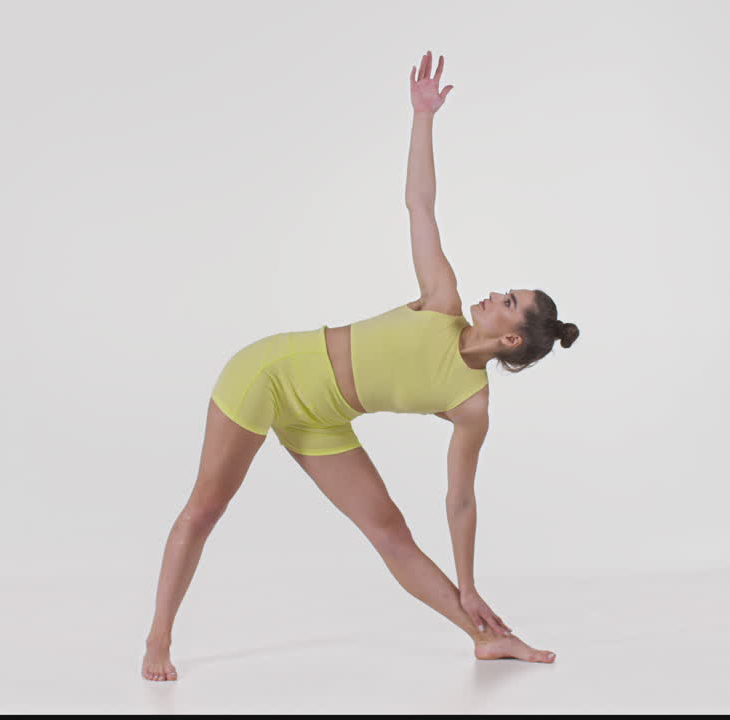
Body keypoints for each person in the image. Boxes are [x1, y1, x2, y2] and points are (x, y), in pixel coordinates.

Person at [142, 50, 579, 682]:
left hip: (323, 418)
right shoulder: (441, 301)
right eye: (503, 291)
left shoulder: (471, 405)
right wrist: (422, 117)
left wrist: (469, 583)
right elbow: (419, 204)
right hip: (269, 373)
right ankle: (158, 639)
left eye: (507, 303)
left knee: (390, 532)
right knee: (206, 509)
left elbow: (460, 499)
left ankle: (482, 638)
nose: (493, 295)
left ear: (513, 341)